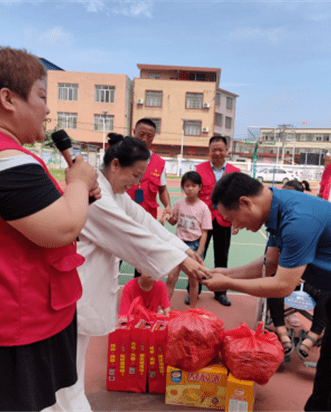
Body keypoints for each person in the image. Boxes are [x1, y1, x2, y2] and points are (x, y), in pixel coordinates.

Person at [0, 46, 101, 412]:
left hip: (5, 323)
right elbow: (60, 229)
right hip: (5, 330)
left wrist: (76, 195)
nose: (47, 109)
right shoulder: (0, 158)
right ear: (8, 99)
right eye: (42, 95)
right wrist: (78, 180)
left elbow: (38, 220)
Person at [203, 172, 331, 411]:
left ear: (245, 202)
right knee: (327, 369)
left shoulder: (298, 218)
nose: (236, 227)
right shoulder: (276, 208)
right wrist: (225, 273)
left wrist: (227, 284)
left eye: (233, 219)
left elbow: (282, 285)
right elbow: (270, 263)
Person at [54, 133, 209, 411]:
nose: (137, 184)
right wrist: (179, 259)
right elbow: (130, 235)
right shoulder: (95, 194)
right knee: (64, 373)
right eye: (135, 175)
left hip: (84, 288)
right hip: (72, 290)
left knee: (71, 366)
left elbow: (144, 222)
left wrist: (183, 250)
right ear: (115, 165)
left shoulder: (112, 192)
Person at [266, 179, 329, 360]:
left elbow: (317, 257)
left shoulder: (308, 224)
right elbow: (270, 260)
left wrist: (301, 273)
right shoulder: (275, 228)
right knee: (273, 284)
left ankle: (312, 337)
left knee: (326, 294)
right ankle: (282, 333)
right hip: (284, 276)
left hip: (306, 278)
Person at [192, 135, 241, 306]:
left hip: (224, 220)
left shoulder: (235, 172)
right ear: (209, 151)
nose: (218, 153)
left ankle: (220, 292)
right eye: (214, 150)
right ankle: (194, 289)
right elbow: (194, 196)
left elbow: (237, 200)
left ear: (227, 150)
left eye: (221, 149)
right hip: (201, 221)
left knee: (222, 258)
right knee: (198, 256)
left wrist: (236, 221)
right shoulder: (198, 169)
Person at [127, 118, 174, 279]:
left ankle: (138, 295)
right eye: (141, 134)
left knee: (143, 260)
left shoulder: (159, 163)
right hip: (124, 214)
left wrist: (168, 206)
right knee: (116, 255)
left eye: (150, 136)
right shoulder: (122, 155)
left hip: (147, 218)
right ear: (134, 133)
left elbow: (162, 189)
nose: (145, 139)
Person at [163, 171, 212, 306]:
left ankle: (193, 310)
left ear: (200, 187)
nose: (190, 188)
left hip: (194, 246)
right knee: (171, 279)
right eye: (186, 185)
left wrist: (199, 252)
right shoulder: (179, 203)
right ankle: (165, 310)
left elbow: (205, 232)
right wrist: (169, 216)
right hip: (178, 244)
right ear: (183, 187)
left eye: (193, 185)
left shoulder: (203, 208)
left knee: (193, 281)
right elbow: (173, 222)